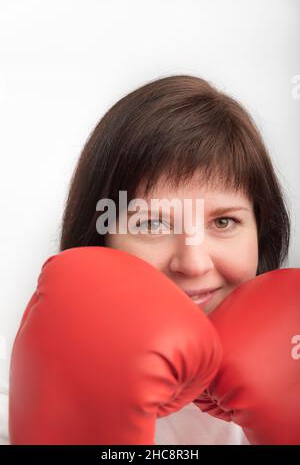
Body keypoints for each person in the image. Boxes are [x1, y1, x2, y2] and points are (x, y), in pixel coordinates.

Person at [57, 74, 290, 444]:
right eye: (152, 224)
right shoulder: (25, 404)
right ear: (98, 240)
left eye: (224, 221)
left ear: (261, 233)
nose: (194, 263)